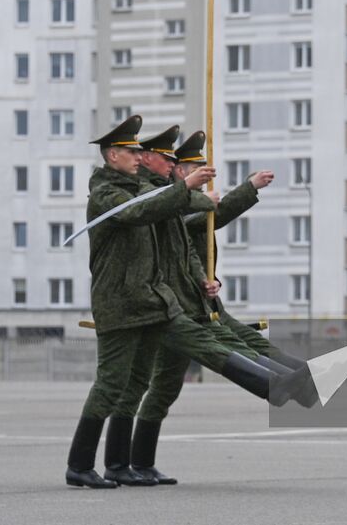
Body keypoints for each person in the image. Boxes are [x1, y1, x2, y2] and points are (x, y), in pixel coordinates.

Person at [64, 117, 302, 490]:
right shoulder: (109, 195)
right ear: (113, 155)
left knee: (142, 382)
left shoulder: (144, 191)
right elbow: (139, 211)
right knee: (114, 384)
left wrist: (201, 272)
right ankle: (80, 465)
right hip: (122, 305)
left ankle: (119, 464)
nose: (137, 158)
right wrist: (189, 189)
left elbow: (184, 236)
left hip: (154, 299)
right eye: (131, 152)